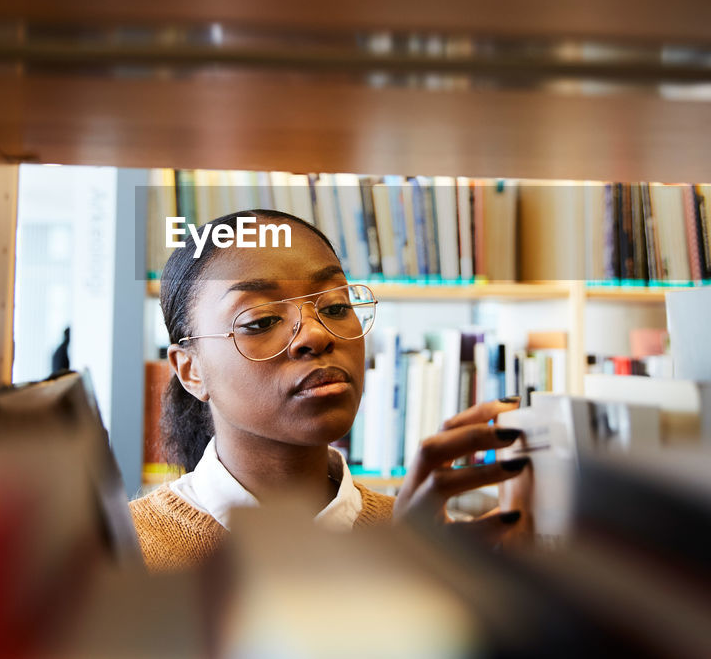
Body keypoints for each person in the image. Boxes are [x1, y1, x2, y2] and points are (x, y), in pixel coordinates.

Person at [130, 209, 527, 572]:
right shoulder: (124, 554)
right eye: (262, 320)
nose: (316, 334)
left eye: (336, 307)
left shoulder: (431, 538)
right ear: (190, 369)